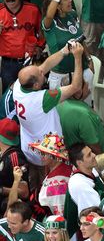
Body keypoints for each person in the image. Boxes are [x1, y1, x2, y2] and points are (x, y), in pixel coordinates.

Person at [13, 40, 84, 173]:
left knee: (35, 182)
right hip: (47, 154)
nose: (42, 71)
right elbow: (76, 87)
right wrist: (78, 57)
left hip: (29, 147)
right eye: (40, 74)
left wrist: (64, 51)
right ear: (35, 85)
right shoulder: (42, 99)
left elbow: (44, 66)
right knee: (51, 185)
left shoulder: (19, 85)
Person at [41, 0, 91, 90]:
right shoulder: (48, 22)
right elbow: (49, 14)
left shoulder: (73, 14)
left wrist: (89, 59)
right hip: (61, 76)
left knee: (85, 107)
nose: (70, 0)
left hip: (82, 71)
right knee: (62, 108)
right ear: (58, 6)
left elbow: (81, 39)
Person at [0, 0, 44, 91]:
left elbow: (42, 32)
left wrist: (40, 46)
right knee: (9, 96)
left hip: (29, 62)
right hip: (7, 64)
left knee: (31, 96)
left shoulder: (33, 10)